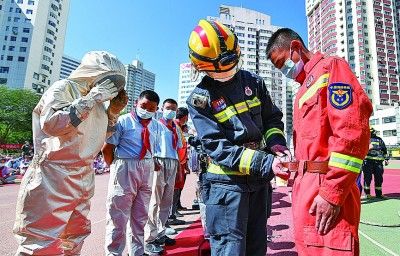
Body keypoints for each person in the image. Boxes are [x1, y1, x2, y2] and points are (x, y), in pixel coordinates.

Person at [186, 19, 290, 256]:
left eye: (232, 63)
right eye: (219, 69)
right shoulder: (199, 99)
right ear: (200, 66)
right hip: (226, 187)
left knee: (256, 248)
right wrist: (266, 163)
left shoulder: (254, 82)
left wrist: (277, 145)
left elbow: (272, 119)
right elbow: (216, 146)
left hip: (259, 183)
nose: (228, 71)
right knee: (229, 250)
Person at [266, 28, 373, 255]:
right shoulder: (302, 89)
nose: (284, 72)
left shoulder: (332, 68)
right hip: (306, 190)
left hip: (325, 188)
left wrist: (331, 194)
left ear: (295, 47)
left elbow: (351, 133)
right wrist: (292, 167)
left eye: (282, 63)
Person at [13, 51, 128, 255]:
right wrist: (92, 98)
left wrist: (112, 113)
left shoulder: (99, 103)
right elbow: (52, 124)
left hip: (83, 174)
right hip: (53, 174)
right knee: (41, 240)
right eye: (108, 79)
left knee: (75, 236)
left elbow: (98, 136)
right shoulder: (65, 87)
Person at [102, 90, 162, 256]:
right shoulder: (123, 121)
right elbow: (107, 148)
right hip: (125, 166)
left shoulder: (156, 125)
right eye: (144, 106)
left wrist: (152, 161)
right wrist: (115, 167)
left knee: (140, 215)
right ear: (136, 103)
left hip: (146, 168)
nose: (147, 110)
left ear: (156, 109)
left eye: (152, 108)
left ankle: (137, 252)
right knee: (118, 216)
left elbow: (151, 147)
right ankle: (114, 253)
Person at [144, 99, 183, 255]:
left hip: (172, 162)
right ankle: (149, 239)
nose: (171, 111)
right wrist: (153, 160)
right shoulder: (155, 124)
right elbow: (149, 143)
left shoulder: (175, 127)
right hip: (159, 161)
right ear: (162, 108)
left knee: (166, 200)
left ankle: (161, 232)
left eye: (174, 109)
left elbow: (178, 148)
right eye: (168, 108)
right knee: (154, 200)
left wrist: (179, 166)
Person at [170, 107, 189, 218]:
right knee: (174, 188)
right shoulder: (175, 126)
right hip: (176, 163)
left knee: (177, 188)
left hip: (180, 162)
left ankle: (174, 210)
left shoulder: (179, 127)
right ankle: (171, 213)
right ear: (186, 117)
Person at [362, 128, 389, 199]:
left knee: (379, 179)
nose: (372, 133)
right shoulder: (364, 139)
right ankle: (367, 194)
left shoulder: (379, 139)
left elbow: (384, 150)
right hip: (368, 162)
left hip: (378, 163)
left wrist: (386, 159)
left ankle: (379, 194)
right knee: (367, 178)